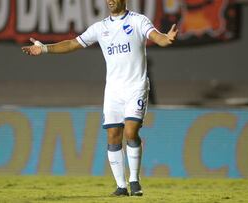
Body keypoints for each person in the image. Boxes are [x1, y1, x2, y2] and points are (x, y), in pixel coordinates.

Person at [22, 0, 178, 197]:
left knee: (131, 131)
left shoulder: (138, 21)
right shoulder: (100, 27)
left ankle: (134, 181)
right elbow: (72, 43)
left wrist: (167, 38)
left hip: (135, 87)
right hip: (113, 91)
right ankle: (121, 187)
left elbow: (158, 37)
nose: (110, 1)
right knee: (113, 136)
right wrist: (44, 48)